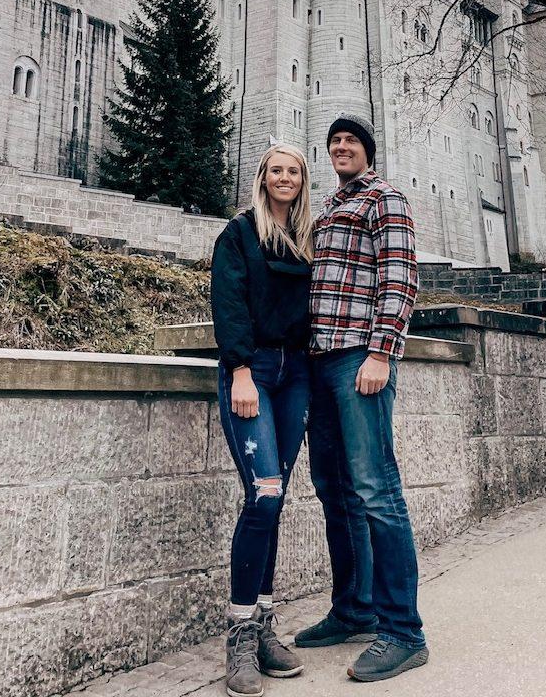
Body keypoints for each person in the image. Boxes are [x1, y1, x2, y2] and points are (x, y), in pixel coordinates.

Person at [294, 113, 428, 683]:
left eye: (351, 141)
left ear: (367, 152)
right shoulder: (326, 209)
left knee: (376, 489)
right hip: (319, 360)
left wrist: (380, 352)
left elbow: (400, 277)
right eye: (335, 142)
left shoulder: (384, 200)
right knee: (335, 489)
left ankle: (403, 631)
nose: (341, 147)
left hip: (357, 358)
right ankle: (354, 609)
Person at [211, 145, 315, 697]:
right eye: (276, 170)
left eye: (293, 171)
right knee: (265, 494)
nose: (284, 178)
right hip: (251, 373)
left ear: (302, 181)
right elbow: (228, 304)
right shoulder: (239, 233)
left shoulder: (305, 239)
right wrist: (242, 371)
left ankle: (265, 622)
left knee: (277, 496)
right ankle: (241, 633)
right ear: (262, 177)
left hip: (296, 375)